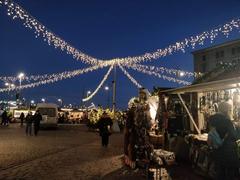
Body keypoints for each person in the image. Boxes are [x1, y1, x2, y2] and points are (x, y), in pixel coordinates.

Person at [207, 101, 239, 180]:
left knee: (220, 172)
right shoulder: (227, 121)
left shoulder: (211, 119)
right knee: (230, 174)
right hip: (228, 152)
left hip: (217, 150)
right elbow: (235, 136)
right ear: (227, 110)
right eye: (230, 110)